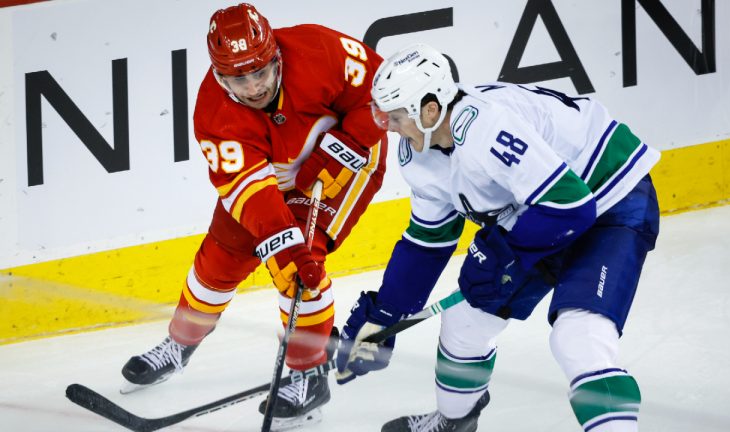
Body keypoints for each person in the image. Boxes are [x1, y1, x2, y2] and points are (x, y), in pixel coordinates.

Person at [335, 42, 660, 432]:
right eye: (385, 116)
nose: (390, 128)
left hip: (609, 199)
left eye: (398, 116)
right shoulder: (417, 153)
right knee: (465, 323)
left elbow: (572, 206)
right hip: (541, 214)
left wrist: (506, 254)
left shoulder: (488, 127)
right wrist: (383, 316)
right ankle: (455, 422)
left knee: (578, 336)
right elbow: (427, 241)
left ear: (431, 109)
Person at [120, 3, 387, 428]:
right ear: (218, 75)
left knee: (304, 268)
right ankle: (179, 343)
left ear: (276, 55)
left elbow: (382, 94)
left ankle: (308, 372)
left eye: (260, 72)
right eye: (237, 79)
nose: (253, 87)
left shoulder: (320, 49)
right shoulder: (214, 114)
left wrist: (344, 145)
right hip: (272, 175)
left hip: (345, 161)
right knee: (223, 254)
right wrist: (287, 248)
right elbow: (257, 201)